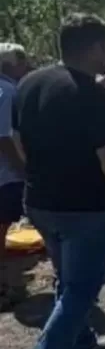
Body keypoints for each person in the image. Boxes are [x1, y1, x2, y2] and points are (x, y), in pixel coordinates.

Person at [7, 14, 105, 349]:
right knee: (80, 290)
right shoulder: (92, 94)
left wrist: (39, 175)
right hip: (86, 206)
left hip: (42, 201)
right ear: (94, 47)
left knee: (67, 278)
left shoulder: (29, 83)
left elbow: (17, 140)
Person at [0, 44, 29, 263]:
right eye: (22, 62)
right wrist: (22, 167)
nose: (26, 66)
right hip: (6, 173)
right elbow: (4, 136)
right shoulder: (8, 92)